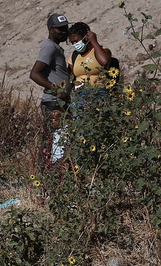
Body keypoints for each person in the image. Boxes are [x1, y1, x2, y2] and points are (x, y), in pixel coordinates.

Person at [29, 13, 71, 164]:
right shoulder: (49, 47)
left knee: (55, 139)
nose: (64, 32)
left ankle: (49, 172)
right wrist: (57, 89)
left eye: (66, 28)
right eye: (60, 29)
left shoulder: (56, 48)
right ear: (51, 29)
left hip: (59, 100)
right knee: (54, 139)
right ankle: (48, 173)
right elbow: (34, 74)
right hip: (54, 101)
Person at [66, 21, 113, 111]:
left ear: (86, 37)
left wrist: (94, 41)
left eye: (76, 41)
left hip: (99, 93)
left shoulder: (101, 51)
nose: (75, 44)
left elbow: (104, 61)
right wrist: (74, 84)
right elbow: (70, 75)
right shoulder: (74, 56)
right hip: (79, 96)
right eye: (72, 42)